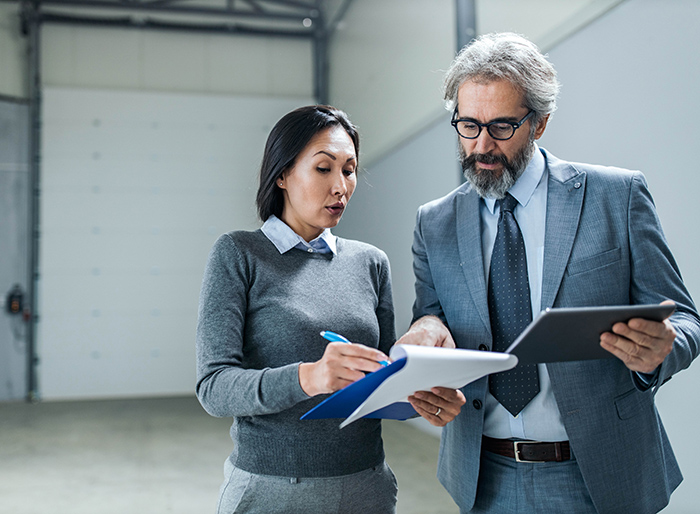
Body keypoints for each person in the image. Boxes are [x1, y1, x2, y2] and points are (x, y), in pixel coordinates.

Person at [398, 33, 700, 514]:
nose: (481, 146)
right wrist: (425, 339)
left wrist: (661, 351)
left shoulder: (614, 197)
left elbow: (684, 319)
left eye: (501, 127)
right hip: (483, 476)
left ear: (539, 124)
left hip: (600, 472)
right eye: (468, 125)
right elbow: (431, 318)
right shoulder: (434, 222)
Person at [195, 105, 461, 514]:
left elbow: (382, 380)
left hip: (366, 487)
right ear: (281, 175)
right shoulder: (239, 254)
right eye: (324, 168)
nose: (341, 186)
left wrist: (423, 397)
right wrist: (309, 377)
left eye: (350, 170)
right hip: (271, 492)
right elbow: (214, 387)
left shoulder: (370, 262)